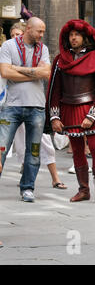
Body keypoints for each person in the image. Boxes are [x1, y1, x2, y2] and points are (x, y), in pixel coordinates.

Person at [46, 19, 95, 206]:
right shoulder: (61, 60)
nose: (73, 38)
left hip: (91, 109)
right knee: (77, 151)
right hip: (69, 109)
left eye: (77, 34)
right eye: (70, 35)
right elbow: (55, 90)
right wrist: (55, 117)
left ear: (84, 37)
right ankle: (83, 190)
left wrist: (92, 115)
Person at [0, 17, 51, 202]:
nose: (42, 35)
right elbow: (5, 72)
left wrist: (17, 69)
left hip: (36, 106)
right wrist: (33, 72)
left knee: (34, 150)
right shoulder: (8, 46)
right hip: (11, 106)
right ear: (28, 29)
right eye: (39, 31)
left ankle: (28, 188)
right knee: (1, 148)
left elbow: (46, 73)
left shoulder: (43, 49)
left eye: (43, 31)